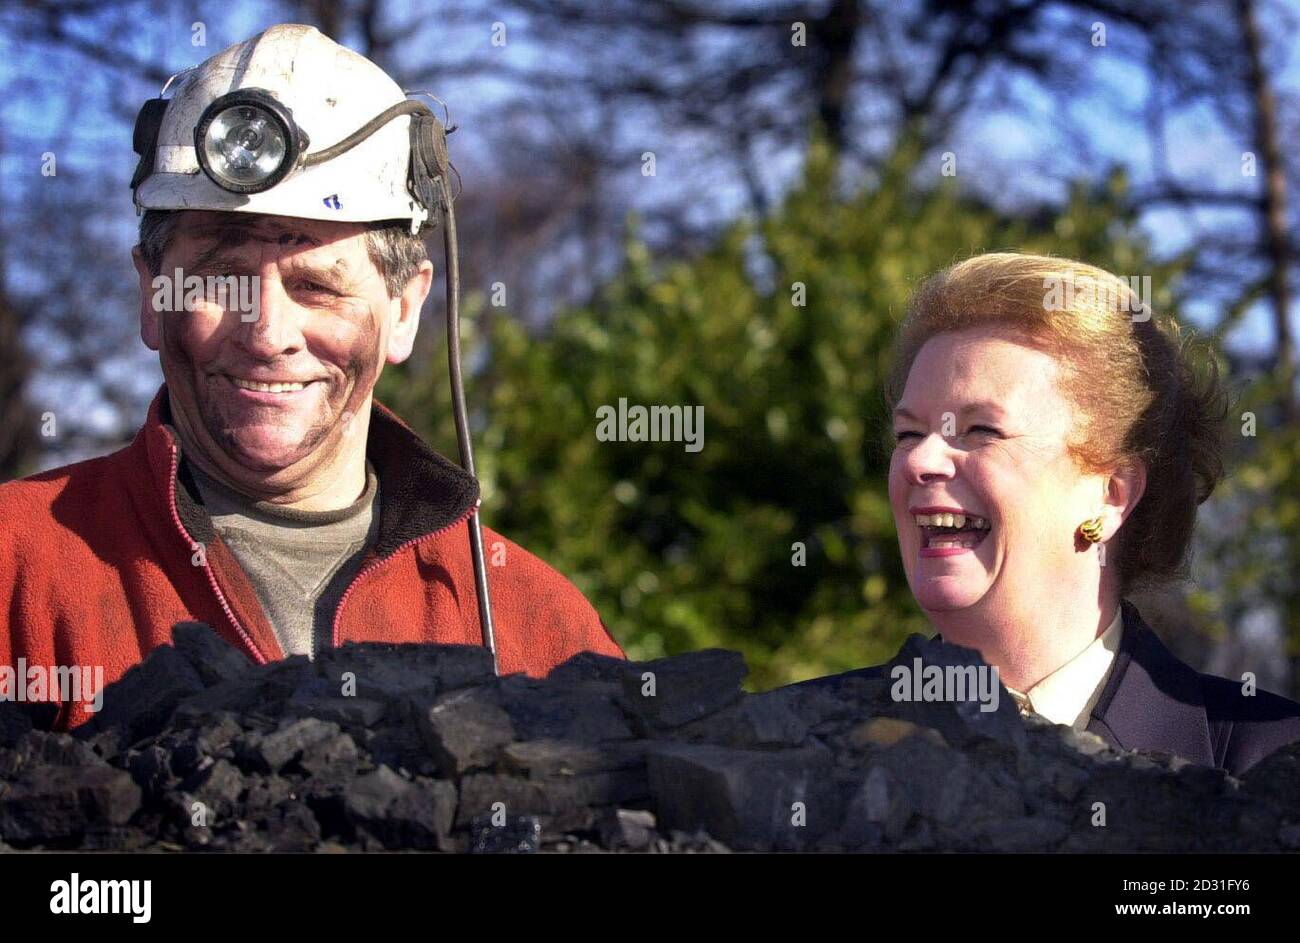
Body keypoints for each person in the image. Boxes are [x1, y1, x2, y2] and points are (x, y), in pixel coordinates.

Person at [0, 24, 622, 731]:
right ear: (152, 296)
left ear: (404, 311)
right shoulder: (15, 567)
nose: (267, 334)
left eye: (318, 287)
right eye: (222, 279)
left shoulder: (536, 624)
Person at [803, 252, 1300, 776]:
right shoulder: (791, 743)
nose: (920, 461)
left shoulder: (1269, 766)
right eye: (908, 434)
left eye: (980, 430)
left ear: (1110, 493)